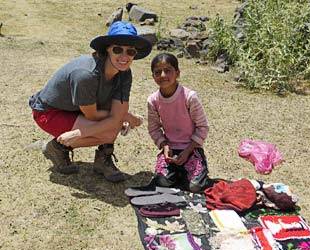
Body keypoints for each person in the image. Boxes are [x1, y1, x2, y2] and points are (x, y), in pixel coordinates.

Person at [29, 21, 152, 182]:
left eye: (130, 51)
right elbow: (94, 115)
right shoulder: (86, 75)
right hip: (49, 112)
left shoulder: (124, 72)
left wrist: (122, 116)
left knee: (112, 125)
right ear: (107, 49)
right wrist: (79, 134)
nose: (124, 56)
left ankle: (102, 160)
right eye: (117, 49)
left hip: (75, 110)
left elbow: (116, 115)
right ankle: (57, 147)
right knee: (109, 128)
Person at [147, 52, 210, 193]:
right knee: (162, 183)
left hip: (192, 148)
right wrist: (164, 145)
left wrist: (188, 151)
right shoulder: (153, 100)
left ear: (177, 73)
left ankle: (190, 173)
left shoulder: (189, 97)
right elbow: (154, 128)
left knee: (196, 186)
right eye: (158, 72)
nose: (163, 75)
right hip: (169, 151)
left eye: (168, 70)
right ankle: (179, 174)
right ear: (153, 77)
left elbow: (202, 127)